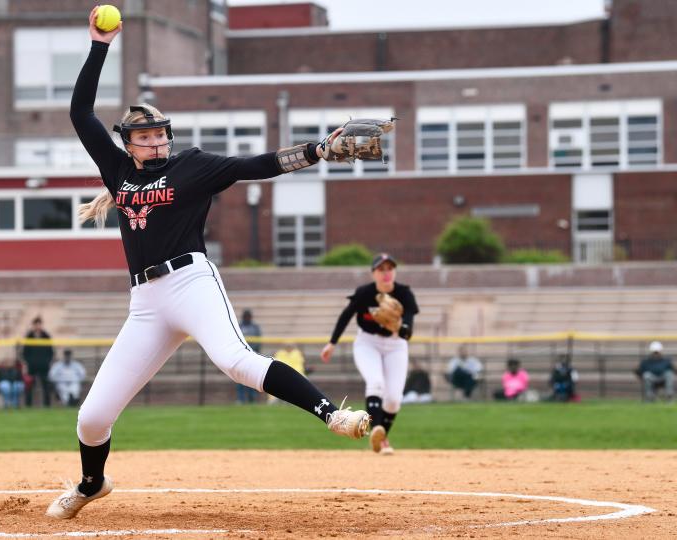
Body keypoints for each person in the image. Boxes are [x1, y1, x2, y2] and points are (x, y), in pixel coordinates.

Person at [46, 8, 373, 520]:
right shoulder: (117, 171)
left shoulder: (192, 166)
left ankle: (331, 414)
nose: (156, 143)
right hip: (146, 303)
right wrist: (98, 46)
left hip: (191, 283)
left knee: (236, 362)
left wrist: (317, 150)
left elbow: (255, 166)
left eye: (160, 135)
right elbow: (80, 113)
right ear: (128, 145)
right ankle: (92, 483)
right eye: (145, 138)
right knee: (92, 417)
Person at [320, 253, 419, 456]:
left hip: (395, 344)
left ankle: (381, 439)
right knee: (375, 383)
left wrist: (399, 325)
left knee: (393, 399)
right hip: (368, 343)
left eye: (390, 268)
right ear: (373, 273)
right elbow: (346, 316)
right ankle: (375, 429)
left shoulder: (404, 294)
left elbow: (407, 333)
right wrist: (332, 343)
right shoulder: (364, 293)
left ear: (395, 271)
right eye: (381, 269)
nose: (386, 273)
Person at [21, 317, 55, 408]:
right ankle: (28, 405)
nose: (37, 326)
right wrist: (29, 362)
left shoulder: (46, 336)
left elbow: (50, 352)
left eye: (39, 324)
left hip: (44, 366)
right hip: (32, 367)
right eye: (36, 324)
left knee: (45, 386)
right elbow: (24, 352)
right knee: (29, 387)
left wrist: (46, 362)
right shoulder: (29, 336)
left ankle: (47, 406)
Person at [236, 309, 262, 404]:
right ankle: (241, 399)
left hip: (252, 356)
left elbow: (258, 341)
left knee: (252, 378)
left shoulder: (255, 327)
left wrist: (252, 352)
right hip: (241, 356)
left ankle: (252, 398)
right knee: (239, 378)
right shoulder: (239, 326)